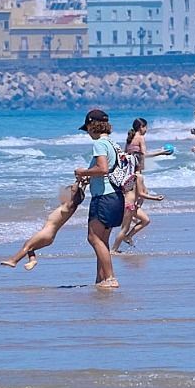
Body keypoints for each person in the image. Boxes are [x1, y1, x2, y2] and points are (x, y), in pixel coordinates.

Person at [75, 109, 125, 288]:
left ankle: (110, 278)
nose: (87, 132)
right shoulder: (113, 144)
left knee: (93, 238)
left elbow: (102, 169)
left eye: (87, 128)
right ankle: (101, 278)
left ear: (92, 125)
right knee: (102, 240)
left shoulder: (99, 144)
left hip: (104, 197)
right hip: (116, 196)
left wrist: (83, 172)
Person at [1, 182, 86, 269]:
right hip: (50, 237)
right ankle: (32, 260)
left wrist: (78, 179)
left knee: (27, 246)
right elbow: (78, 195)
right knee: (30, 248)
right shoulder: (71, 208)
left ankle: (14, 261)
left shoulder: (66, 207)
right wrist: (83, 184)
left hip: (46, 233)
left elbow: (75, 192)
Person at [113, 117, 164, 251]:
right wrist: (162, 152)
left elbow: (124, 155)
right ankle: (133, 214)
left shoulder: (129, 139)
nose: (146, 130)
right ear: (141, 127)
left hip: (128, 174)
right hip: (137, 173)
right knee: (142, 193)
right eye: (145, 127)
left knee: (139, 193)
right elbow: (146, 155)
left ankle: (133, 216)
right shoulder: (140, 138)